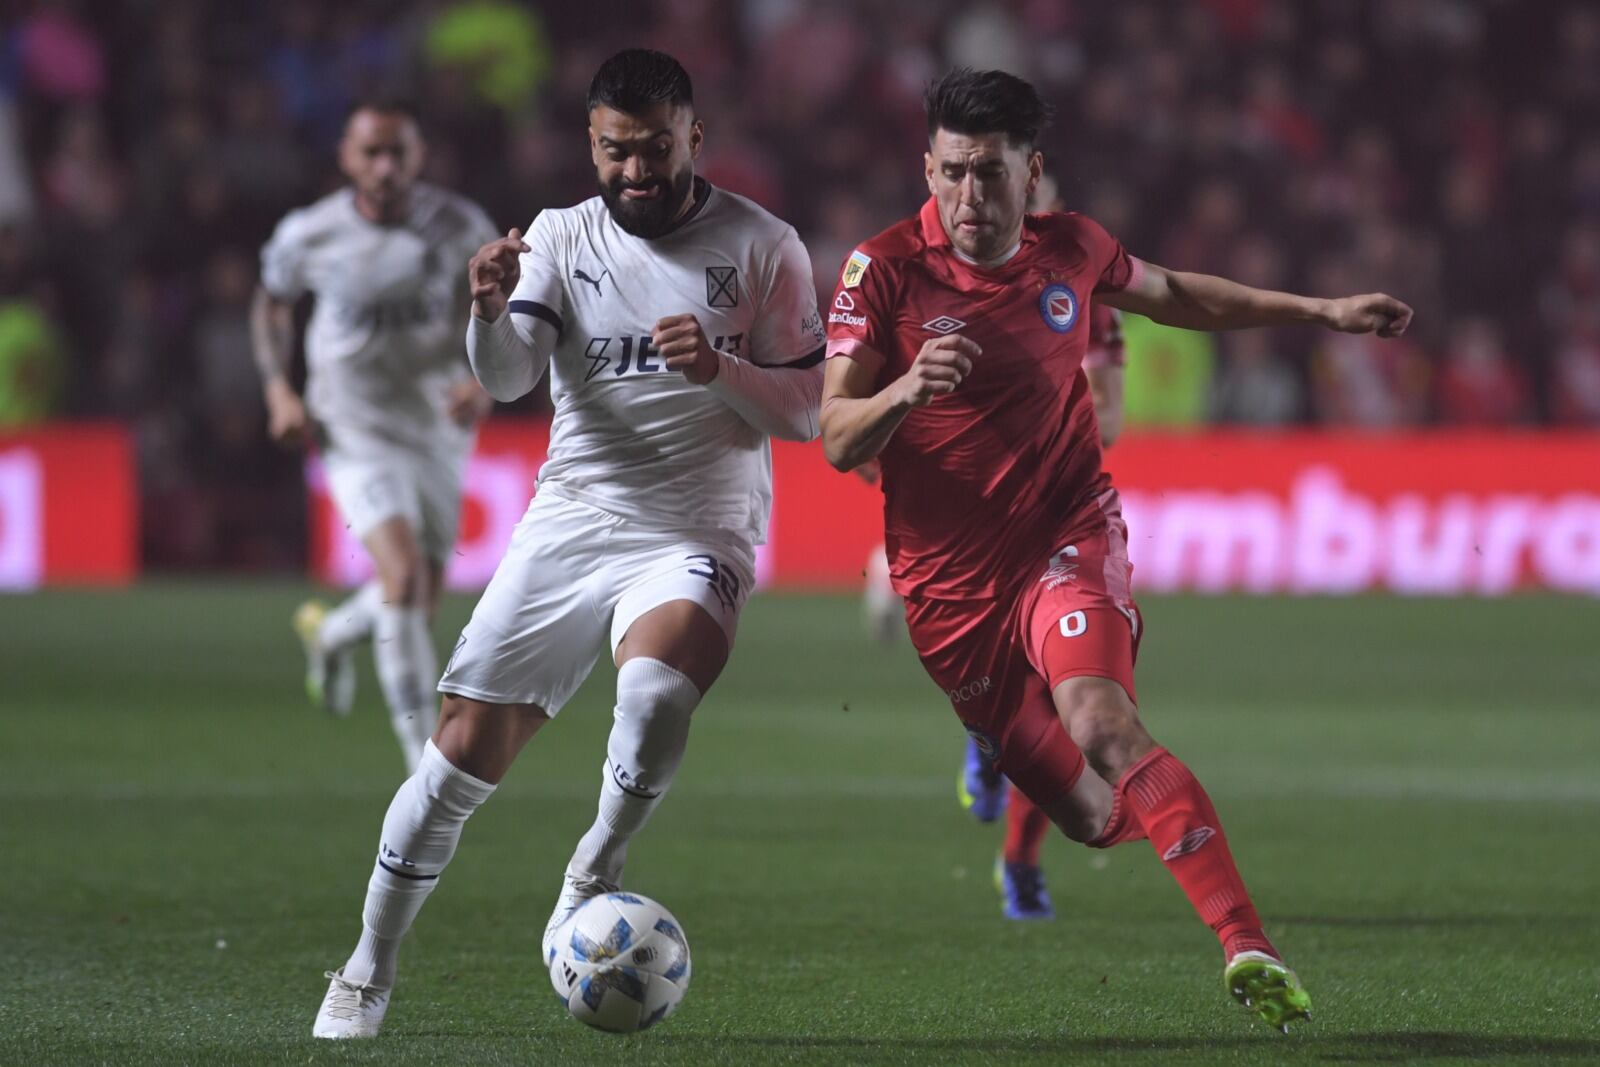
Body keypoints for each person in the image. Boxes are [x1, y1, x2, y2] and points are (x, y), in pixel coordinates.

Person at [820, 68, 1412, 1032]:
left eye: (994, 173)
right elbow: (837, 436)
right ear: (927, 167)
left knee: (1102, 719)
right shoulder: (880, 271)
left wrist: (1321, 311)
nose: (973, 196)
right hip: (948, 596)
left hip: (1065, 534)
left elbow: (1178, 292)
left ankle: (1247, 943)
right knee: (1094, 818)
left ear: (1032, 170)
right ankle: (1102, 816)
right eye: (955, 172)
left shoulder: (1075, 250)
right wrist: (905, 393)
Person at [312, 49, 825, 1039]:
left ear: (694, 137)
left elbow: (806, 411)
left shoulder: (764, 246)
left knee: (657, 688)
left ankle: (595, 859)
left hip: (697, 521)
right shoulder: (559, 235)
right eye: (616, 151)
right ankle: (367, 966)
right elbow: (506, 377)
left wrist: (719, 366)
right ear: (592, 144)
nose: (636, 172)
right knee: (455, 761)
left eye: (656, 149)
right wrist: (485, 309)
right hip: (574, 515)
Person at [251, 100, 498, 773]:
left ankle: (330, 634)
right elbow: (272, 301)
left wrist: (486, 381)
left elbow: (498, 305)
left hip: (436, 421)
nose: (385, 167)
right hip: (350, 420)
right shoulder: (312, 233)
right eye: (371, 154)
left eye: (398, 153)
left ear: (418, 156)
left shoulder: (459, 225)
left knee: (419, 596)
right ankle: (424, 766)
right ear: (347, 158)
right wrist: (279, 387)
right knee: (403, 573)